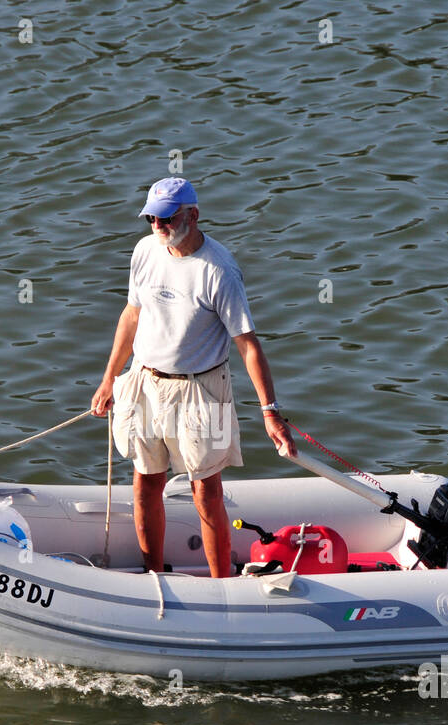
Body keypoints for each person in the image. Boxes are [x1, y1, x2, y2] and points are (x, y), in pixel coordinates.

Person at [91, 177, 296, 577]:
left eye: (167, 218)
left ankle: (222, 584)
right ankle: (155, 573)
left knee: (206, 490)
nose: (158, 226)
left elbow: (248, 345)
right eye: (151, 217)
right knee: (145, 482)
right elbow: (131, 316)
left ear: (193, 215)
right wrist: (108, 379)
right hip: (146, 382)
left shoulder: (219, 271)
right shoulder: (145, 251)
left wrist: (270, 412)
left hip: (203, 390)